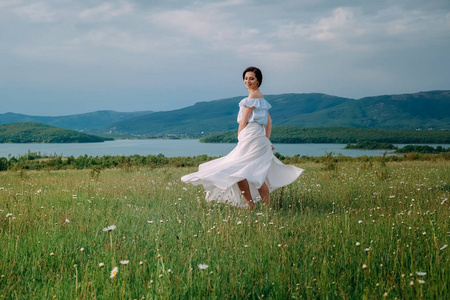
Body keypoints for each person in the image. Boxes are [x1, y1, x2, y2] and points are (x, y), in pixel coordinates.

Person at [181, 66, 304, 209]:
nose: (248, 81)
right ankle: (261, 207)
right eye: (246, 78)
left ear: (258, 80)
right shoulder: (261, 98)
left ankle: (253, 205)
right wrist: (267, 139)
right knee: (249, 172)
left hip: (250, 137)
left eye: (251, 78)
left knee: (241, 171)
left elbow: (244, 121)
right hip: (258, 138)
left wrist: (240, 137)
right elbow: (269, 122)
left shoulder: (252, 97)